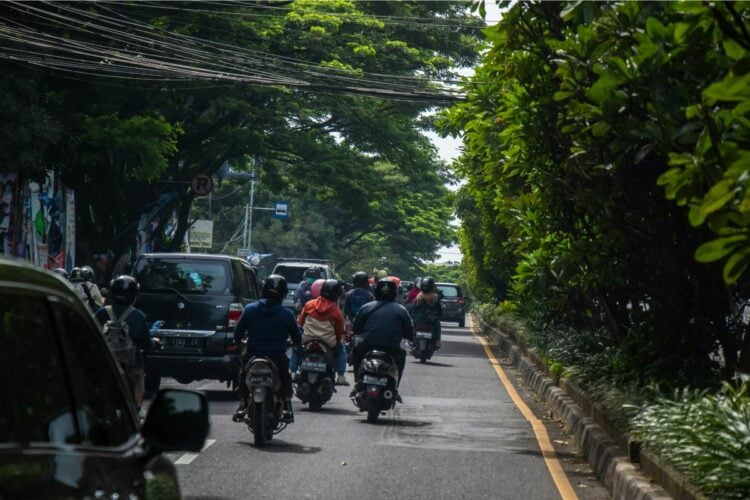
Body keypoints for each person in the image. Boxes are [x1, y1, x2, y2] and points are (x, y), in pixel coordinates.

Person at [233, 274, 301, 423]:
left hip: (253, 354)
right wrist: (294, 344)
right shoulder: (287, 314)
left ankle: (242, 403)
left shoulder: (250, 309)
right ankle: (287, 406)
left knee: (243, 374)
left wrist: (240, 342)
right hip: (277, 356)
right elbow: (297, 338)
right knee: (285, 377)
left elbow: (237, 333)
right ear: (283, 294)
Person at [94, 275, 152, 409]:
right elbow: (147, 345)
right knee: (137, 398)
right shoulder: (138, 316)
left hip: (104, 367)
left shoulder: (101, 313)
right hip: (132, 368)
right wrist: (155, 342)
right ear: (133, 295)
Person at [351, 277, 414, 393]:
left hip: (367, 346)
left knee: (356, 352)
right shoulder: (401, 310)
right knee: (401, 357)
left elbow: (356, 328)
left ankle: (357, 382)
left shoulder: (366, 307)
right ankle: (395, 388)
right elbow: (409, 332)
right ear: (395, 293)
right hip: (392, 348)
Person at [293, 279, 349, 386]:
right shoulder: (336, 311)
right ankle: (341, 376)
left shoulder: (309, 304)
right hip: (327, 342)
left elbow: (300, 322)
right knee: (341, 350)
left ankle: (292, 372)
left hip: (307, 339)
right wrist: (338, 340)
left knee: (296, 349)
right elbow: (339, 331)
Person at [409, 276, 443, 347]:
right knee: (438, 325)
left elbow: (412, 309)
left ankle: (410, 340)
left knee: (412, 326)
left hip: (418, 320)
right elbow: (439, 310)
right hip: (431, 321)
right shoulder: (435, 298)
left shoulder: (418, 297)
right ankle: (438, 341)